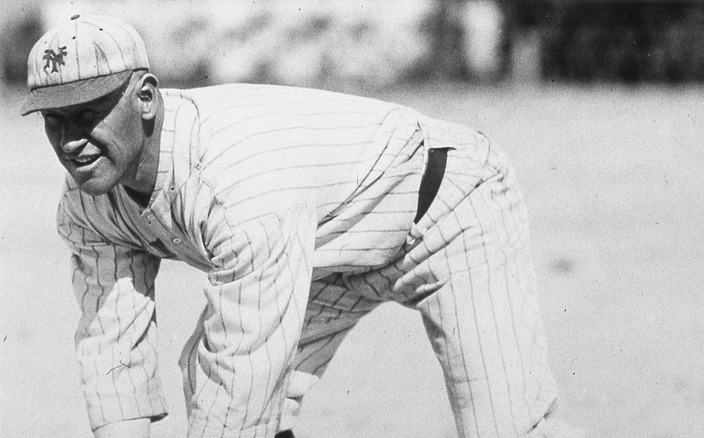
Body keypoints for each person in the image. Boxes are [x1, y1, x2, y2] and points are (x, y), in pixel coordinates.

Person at [21, 13, 582, 438]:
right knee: (208, 372)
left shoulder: (233, 178)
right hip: (329, 243)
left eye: (89, 113)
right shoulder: (88, 200)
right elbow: (112, 341)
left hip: (446, 203)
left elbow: (242, 370)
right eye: (55, 119)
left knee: (506, 422)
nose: (71, 141)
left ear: (145, 98)